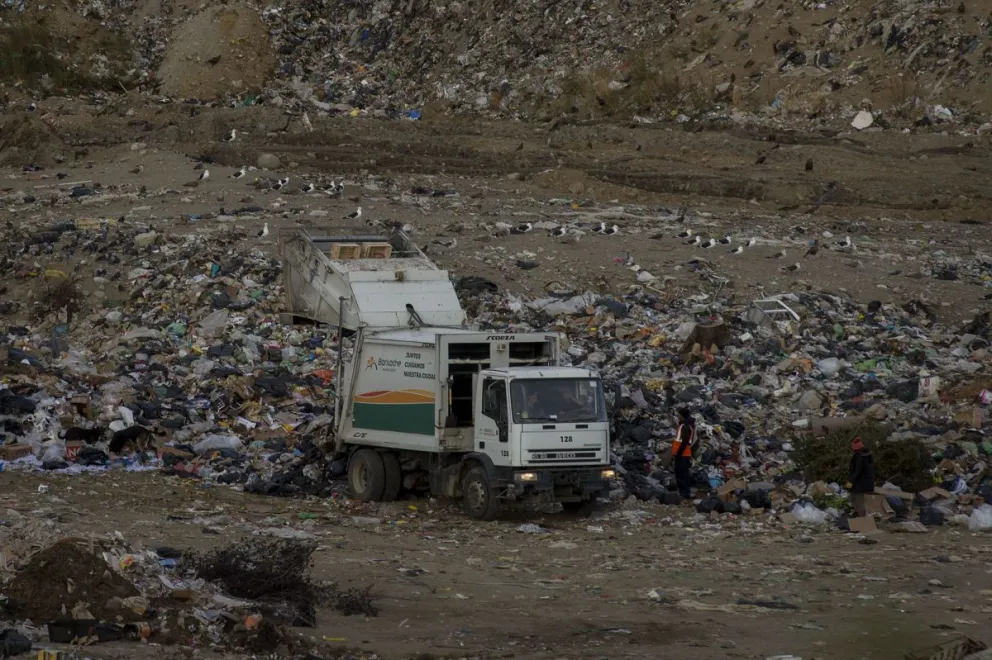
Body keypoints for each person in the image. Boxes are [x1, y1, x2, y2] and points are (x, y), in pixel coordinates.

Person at [671, 408, 696, 500]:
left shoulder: (685, 426)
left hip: (682, 454)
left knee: (681, 474)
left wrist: (678, 453)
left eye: (679, 414)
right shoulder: (686, 424)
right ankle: (685, 492)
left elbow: (684, 441)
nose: (677, 416)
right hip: (683, 454)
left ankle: (684, 493)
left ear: (682, 415)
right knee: (683, 474)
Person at [848, 436, 874, 517]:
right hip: (867, 483)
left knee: (858, 501)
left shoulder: (859, 457)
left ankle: (862, 520)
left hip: (859, 484)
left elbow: (857, 472)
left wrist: (850, 482)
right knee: (855, 499)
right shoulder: (867, 455)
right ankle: (860, 517)